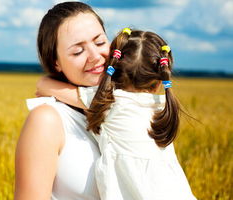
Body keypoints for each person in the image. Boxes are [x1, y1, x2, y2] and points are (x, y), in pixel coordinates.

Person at [36, 28, 197, 200]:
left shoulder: (109, 101)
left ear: (112, 67)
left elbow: (44, 85)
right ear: (159, 82)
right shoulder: (162, 106)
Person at [14, 2, 109, 200]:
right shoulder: (47, 120)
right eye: (77, 51)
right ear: (55, 62)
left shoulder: (133, 106)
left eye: (99, 42)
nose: (95, 56)